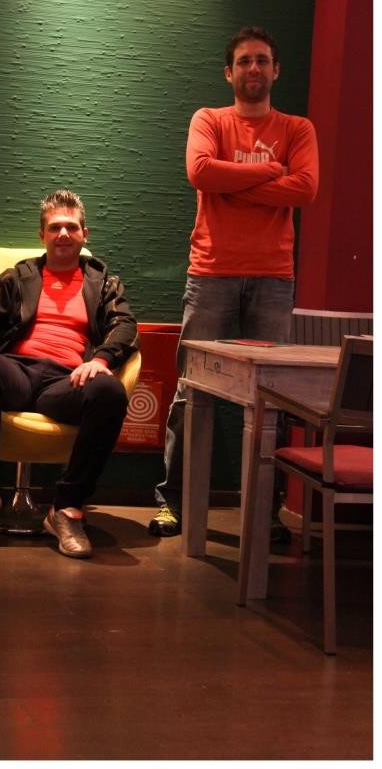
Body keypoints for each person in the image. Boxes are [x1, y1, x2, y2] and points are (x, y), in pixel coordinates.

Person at [149, 26, 319, 537]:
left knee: (272, 401)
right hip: (211, 273)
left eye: (262, 60)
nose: (253, 68)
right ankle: (172, 502)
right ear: (229, 72)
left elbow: (305, 189)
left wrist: (234, 184)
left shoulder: (298, 129)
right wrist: (270, 172)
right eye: (244, 61)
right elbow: (201, 173)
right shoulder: (209, 119)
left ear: (276, 70)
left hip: (273, 279)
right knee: (190, 394)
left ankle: (263, 515)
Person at [0, 189, 139, 558]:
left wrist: (101, 360)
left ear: (84, 234)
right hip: (18, 371)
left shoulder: (103, 280)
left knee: (110, 393)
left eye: (71, 227)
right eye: (55, 227)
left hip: (66, 380)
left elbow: (124, 326)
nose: (63, 233)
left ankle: (66, 509)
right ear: (42, 235)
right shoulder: (20, 276)